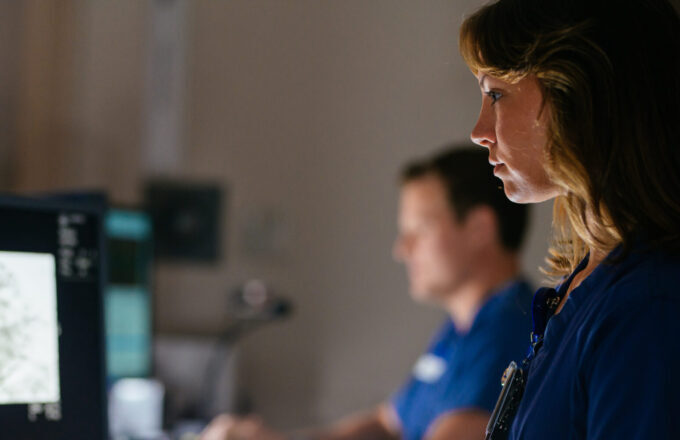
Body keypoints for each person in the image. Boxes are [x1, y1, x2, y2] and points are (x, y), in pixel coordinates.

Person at [201, 146, 533, 440]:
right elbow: (386, 424)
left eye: (418, 231)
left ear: (480, 229)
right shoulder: (461, 329)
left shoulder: (508, 332)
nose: (401, 250)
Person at [460, 0, 680, 438]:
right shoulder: (584, 284)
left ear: (578, 96)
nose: (478, 130)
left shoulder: (650, 308)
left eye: (496, 94)